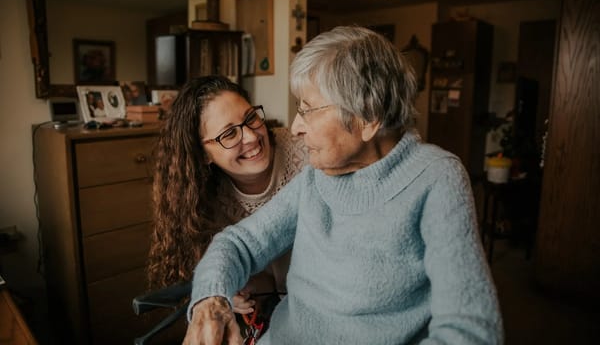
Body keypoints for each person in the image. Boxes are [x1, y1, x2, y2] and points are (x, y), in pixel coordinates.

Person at [183, 26, 503, 344]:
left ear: (368, 116)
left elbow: (470, 332)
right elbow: (238, 243)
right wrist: (210, 301)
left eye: (307, 110)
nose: (295, 127)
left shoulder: (436, 179)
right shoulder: (315, 176)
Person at [147, 75, 308, 330]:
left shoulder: (307, 150)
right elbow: (227, 269)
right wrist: (230, 289)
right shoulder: (204, 200)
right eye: (229, 133)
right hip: (274, 318)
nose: (251, 137)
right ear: (202, 154)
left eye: (251, 118)